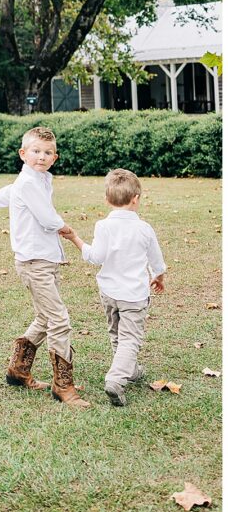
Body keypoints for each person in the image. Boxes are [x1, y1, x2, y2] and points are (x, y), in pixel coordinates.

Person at [0, 125, 86, 408]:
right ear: (23, 154)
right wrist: (69, 230)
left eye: (48, 152)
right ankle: (64, 386)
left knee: (45, 317)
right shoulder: (28, 183)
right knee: (59, 319)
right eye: (35, 151)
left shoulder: (36, 180)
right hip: (34, 262)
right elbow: (49, 220)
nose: (41, 156)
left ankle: (18, 370)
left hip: (45, 260)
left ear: (55, 157)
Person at [63, 168, 167, 409]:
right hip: (134, 295)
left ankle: (129, 370)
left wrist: (75, 239)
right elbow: (157, 261)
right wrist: (159, 277)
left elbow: (95, 257)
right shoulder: (144, 229)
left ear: (107, 200)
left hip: (109, 293)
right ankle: (116, 378)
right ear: (136, 199)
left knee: (116, 333)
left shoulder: (103, 226)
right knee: (130, 338)